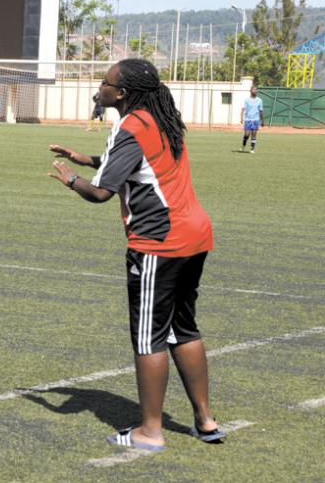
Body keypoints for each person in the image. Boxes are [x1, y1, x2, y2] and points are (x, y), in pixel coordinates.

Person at [48, 58, 224, 452]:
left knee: (150, 337)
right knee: (184, 329)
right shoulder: (160, 118)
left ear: (122, 93)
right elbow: (141, 165)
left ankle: (150, 431)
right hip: (195, 235)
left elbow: (100, 192)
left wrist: (72, 179)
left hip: (159, 243)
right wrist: (88, 159)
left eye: (106, 83)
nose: (101, 87)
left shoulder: (129, 126)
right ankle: (205, 420)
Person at [240, 86, 264, 153]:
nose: (255, 90)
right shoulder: (246, 100)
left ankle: (252, 149)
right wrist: (241, 118)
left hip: (256, 119)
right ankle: (243, 145)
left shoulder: (259, 100)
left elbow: (261, 111)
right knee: (247, 134)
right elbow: (243, 109)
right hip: (248, 119)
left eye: (256, 90)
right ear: (250, 91)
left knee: (254, 133)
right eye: (253, 89)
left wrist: (262, 121)